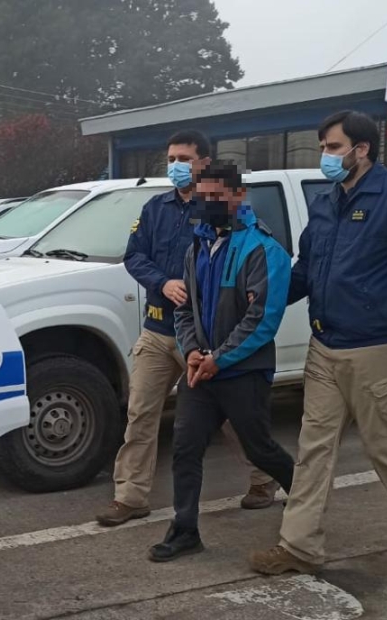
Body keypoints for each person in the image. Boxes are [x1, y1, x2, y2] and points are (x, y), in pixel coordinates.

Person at [249, 110, 387, 575]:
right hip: (325, 346)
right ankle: (298, 546)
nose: (325, 155)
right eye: (323, 147)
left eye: (334, 147)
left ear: (362, 150)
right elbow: (306, 269)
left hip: (377, 348)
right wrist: (264, 299)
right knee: (313, 449)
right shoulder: (326, 203)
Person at [96, 131, 278, 528]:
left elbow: (245, 256)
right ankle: (130, 497)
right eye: (171, 158)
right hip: (158, 329)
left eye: (184, 158)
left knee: (232, 417)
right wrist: (163, 283)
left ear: (204, 163)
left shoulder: (220, 209)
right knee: (140, 414)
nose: (175, 166)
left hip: (204, 337)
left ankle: (264, 478)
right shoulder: (155, 208)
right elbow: (135, 257)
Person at [148, 161, 295, 562]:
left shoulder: (263, 250)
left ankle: (304, 499)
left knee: (259, 449)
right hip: (202, 370)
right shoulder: (197, 246)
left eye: (217, 195)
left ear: (238, 195)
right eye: (203, 196)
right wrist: (192, 351)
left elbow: (262, 319)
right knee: (185, 447)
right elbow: (184, 309)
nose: (209, 203)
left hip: (243, 372)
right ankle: (184, 530)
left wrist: (220, 358)